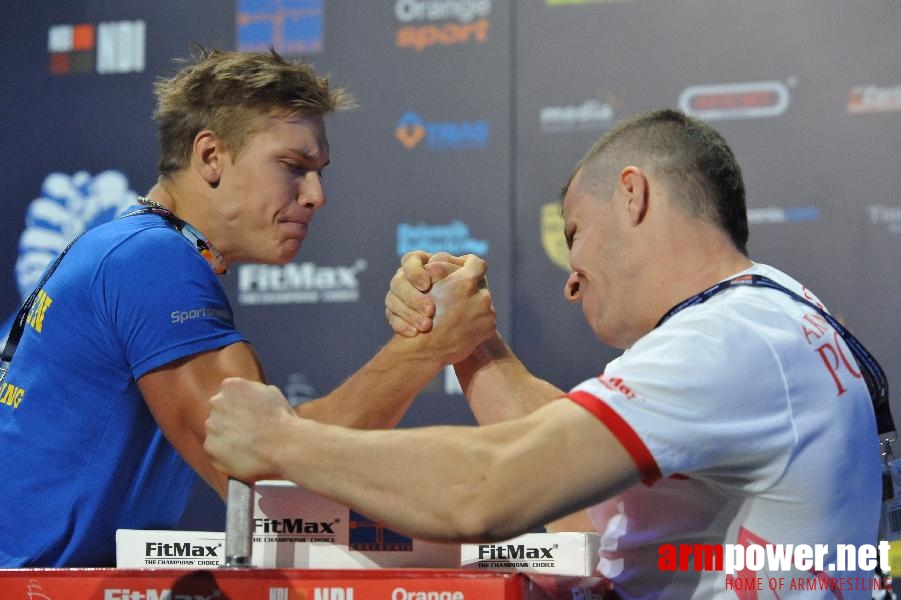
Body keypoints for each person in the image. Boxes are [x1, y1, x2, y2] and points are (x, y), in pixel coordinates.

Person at [204, 109, 885, 598]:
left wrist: (281, 438)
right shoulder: (768, 311)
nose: (569, 276)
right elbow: (571, 477)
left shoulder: (726, 342)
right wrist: (466, 338)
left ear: (633, 194)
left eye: (575, 233)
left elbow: (491, 488)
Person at [0, 48, 495, 568]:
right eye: (293, 166)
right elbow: (266, 481)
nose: (317, 195)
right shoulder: (152, 260)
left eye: (320, 171)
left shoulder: (129, 247)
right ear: (211, 156)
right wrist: (423, 347)